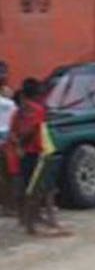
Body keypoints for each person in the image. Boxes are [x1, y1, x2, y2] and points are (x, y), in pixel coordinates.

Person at [13, 78, 68, 236]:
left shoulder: (20, 112)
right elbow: (30, 131)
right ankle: (33, 226)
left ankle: (38, 221)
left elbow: (16, 132)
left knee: (40, 188)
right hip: (38, 152)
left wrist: (19, 145)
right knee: (36, 189)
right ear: (38, 94)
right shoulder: (36, 109)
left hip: (34, 152)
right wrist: (22, 144)